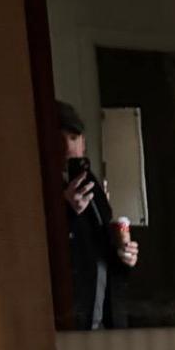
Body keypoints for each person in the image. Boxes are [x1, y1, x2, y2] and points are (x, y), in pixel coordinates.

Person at [58, 101, 138, 330]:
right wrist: (64, 210)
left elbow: (102, 248)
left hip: (106, 316)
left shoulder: (93, 184)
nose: (67, 147)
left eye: (73, 138)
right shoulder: (36, 191)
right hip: (73, 321)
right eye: (59, 139)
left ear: (83, 142)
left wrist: (125, 257)